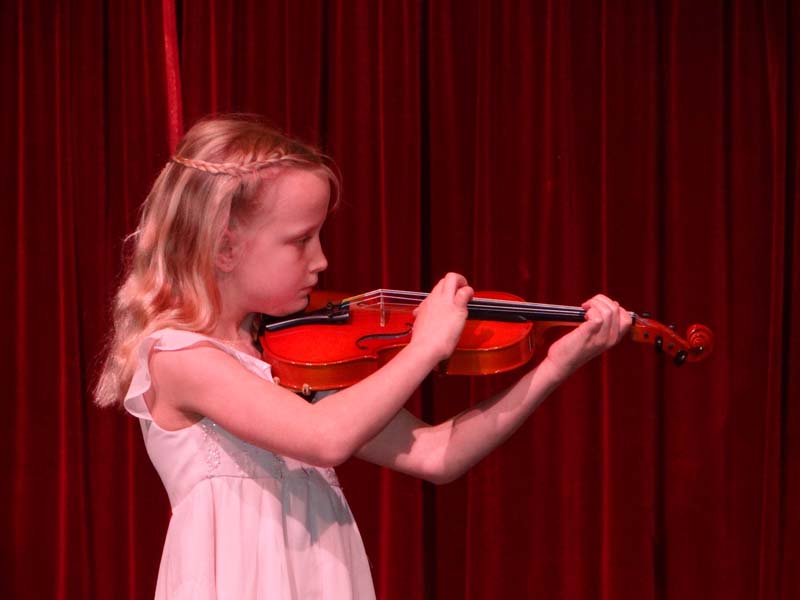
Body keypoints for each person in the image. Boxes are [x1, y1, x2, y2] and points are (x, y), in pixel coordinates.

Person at [95, 114, 632, 599]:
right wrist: (425, 347)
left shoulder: (292, 359)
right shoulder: (179, 356)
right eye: (301, 240)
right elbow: (325, 438)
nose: (321, 260)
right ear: (225, 247)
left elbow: (437, 455)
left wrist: (554, 366)